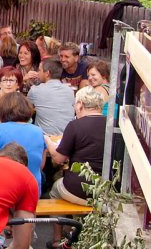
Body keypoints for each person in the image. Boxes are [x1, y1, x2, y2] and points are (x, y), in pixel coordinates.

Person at [44, 86, 106, 246]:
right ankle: (75, 233)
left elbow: (58, 159)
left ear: (80, 105)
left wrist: (49, 143)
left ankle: (57, 241)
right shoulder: (112, 125)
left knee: (55, 191)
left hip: (77, 188)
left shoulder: (75, 125)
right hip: (105, 190)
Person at [0, 91, 46, 192]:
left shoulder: (0, 129)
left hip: (6, 190)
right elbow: (41, 165)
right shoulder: (38, 131)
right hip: (33, 190)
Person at [28, 58, 76, 136]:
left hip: (45, 138)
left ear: (47, 73)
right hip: (66, 137)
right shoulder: (70, 91)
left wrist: (24, 80)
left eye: (39, 70)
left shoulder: (35, 90)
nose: (37, 73)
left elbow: (25, 112)